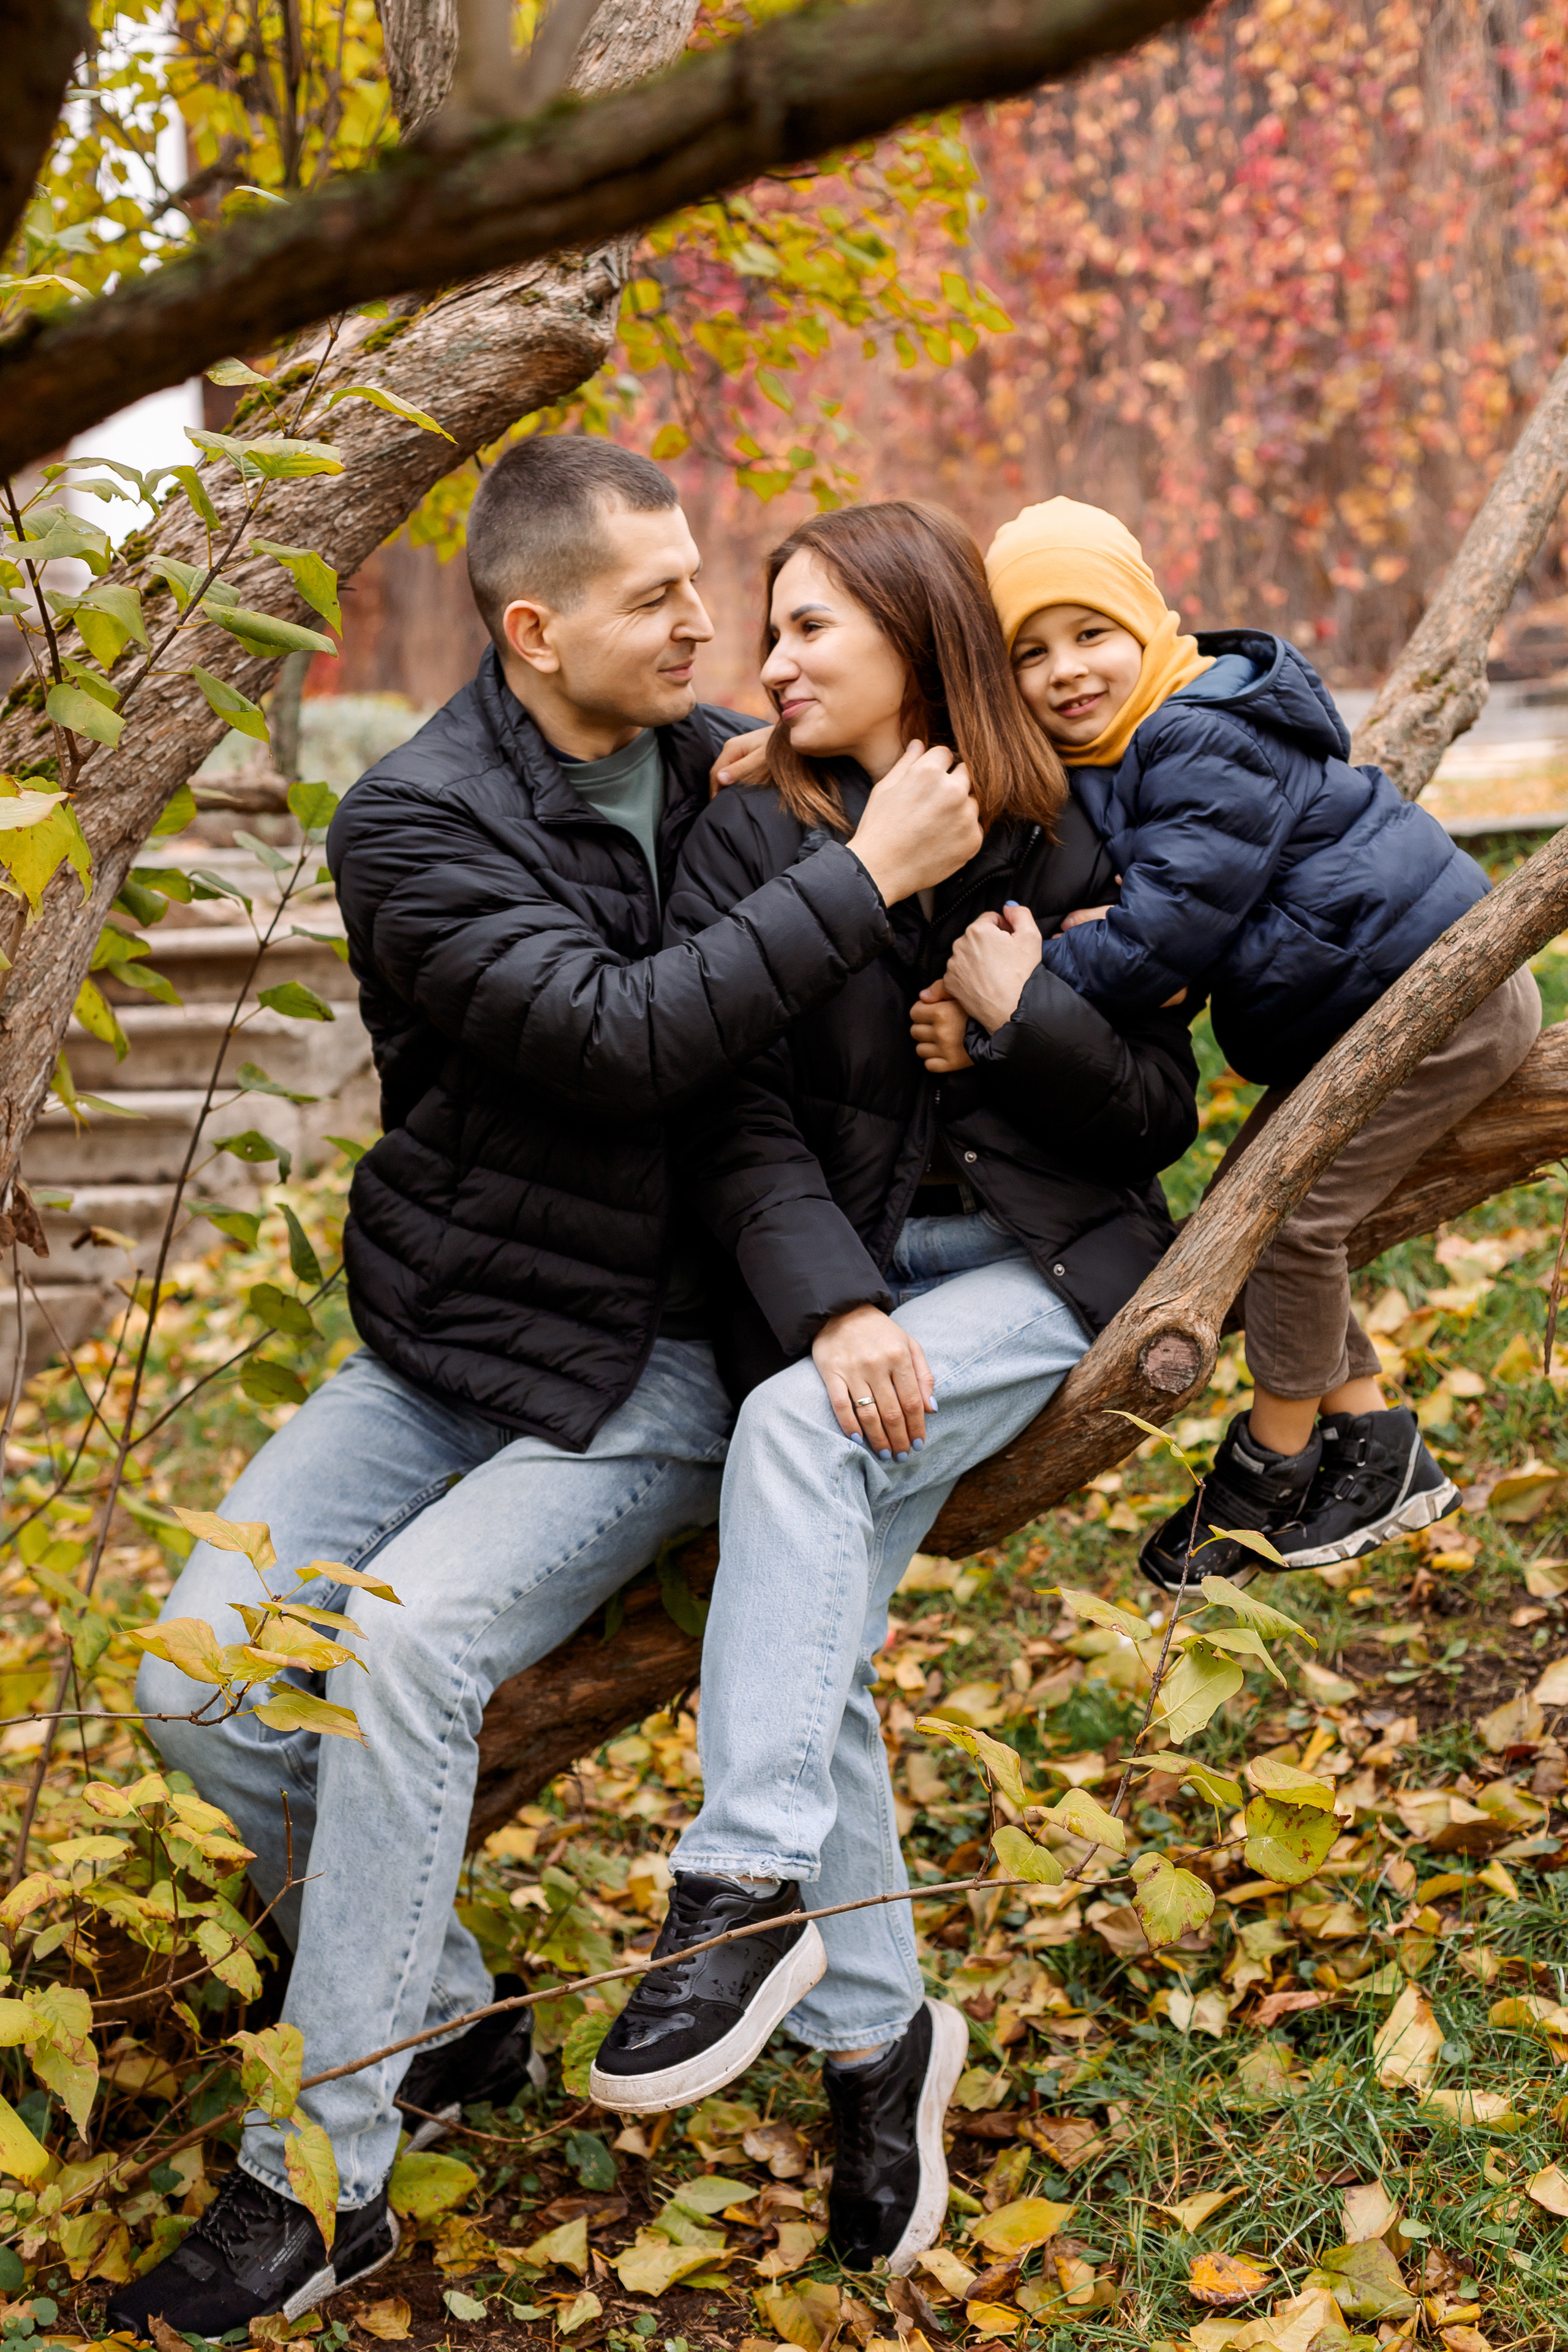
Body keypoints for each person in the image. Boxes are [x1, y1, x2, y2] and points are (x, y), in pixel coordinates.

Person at [111, 440, 986, 2340]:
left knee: (408, 1646)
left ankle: (320, 2181)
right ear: (534, 631)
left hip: (663, 1351)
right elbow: (611, 1038)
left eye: (709, 584)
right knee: (191, 1677)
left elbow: (902, 970)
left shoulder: (738, 769)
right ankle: (432, 1996)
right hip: (452, 1336)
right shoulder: (415, 824)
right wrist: (859, 884)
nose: (708, 622)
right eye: (659, 599)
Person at [588, 502, 1200, 2275]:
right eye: (764, 635)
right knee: (817, 1626)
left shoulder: (1066, 816)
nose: (767, 665)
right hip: (860, 1273)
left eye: (805, 632)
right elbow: (734, 1116)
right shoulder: (744, 833)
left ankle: (745, 1888)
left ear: (917, 644)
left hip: (1044, 1271)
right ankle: (875, 2039)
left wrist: (1027, 1012)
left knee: (792, 1440)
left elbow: (1157, 1115)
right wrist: (842, 1303)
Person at [965, 495, 1541, 1590]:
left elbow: (1165, 934)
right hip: (1366, 1005)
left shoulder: (1193, 732)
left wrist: (1031, 978)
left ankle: (1275, 1460)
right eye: (1029, 653)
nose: (1065, 670)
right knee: (1246, 1204)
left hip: (1442, 1002)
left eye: (1090, 632)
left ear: (1146, 620)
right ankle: (1376, 1439)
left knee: (1290, 1222)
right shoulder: (1129, 748)